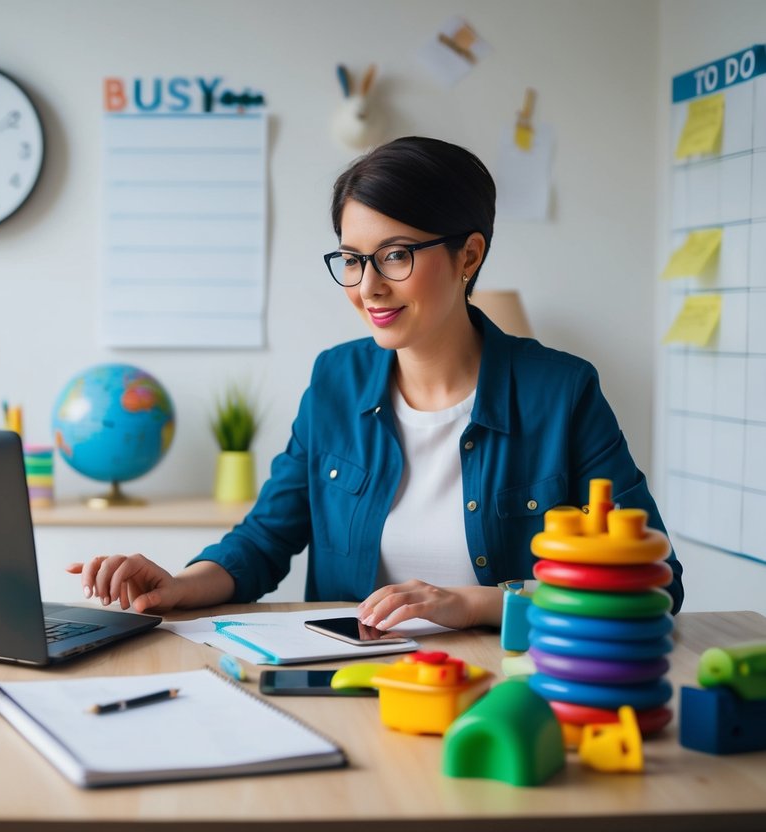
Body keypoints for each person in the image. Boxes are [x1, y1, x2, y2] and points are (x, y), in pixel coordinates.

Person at [67, 136, 683, 631]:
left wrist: (474, 604)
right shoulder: (336, 378)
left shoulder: (562, 391)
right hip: (352, 684)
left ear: (468, 256)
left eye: (395, 255)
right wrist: (180, 583)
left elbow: (657, 582)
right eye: (353, 258)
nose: (367, 287)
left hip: (513, 688)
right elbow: (264, 538)